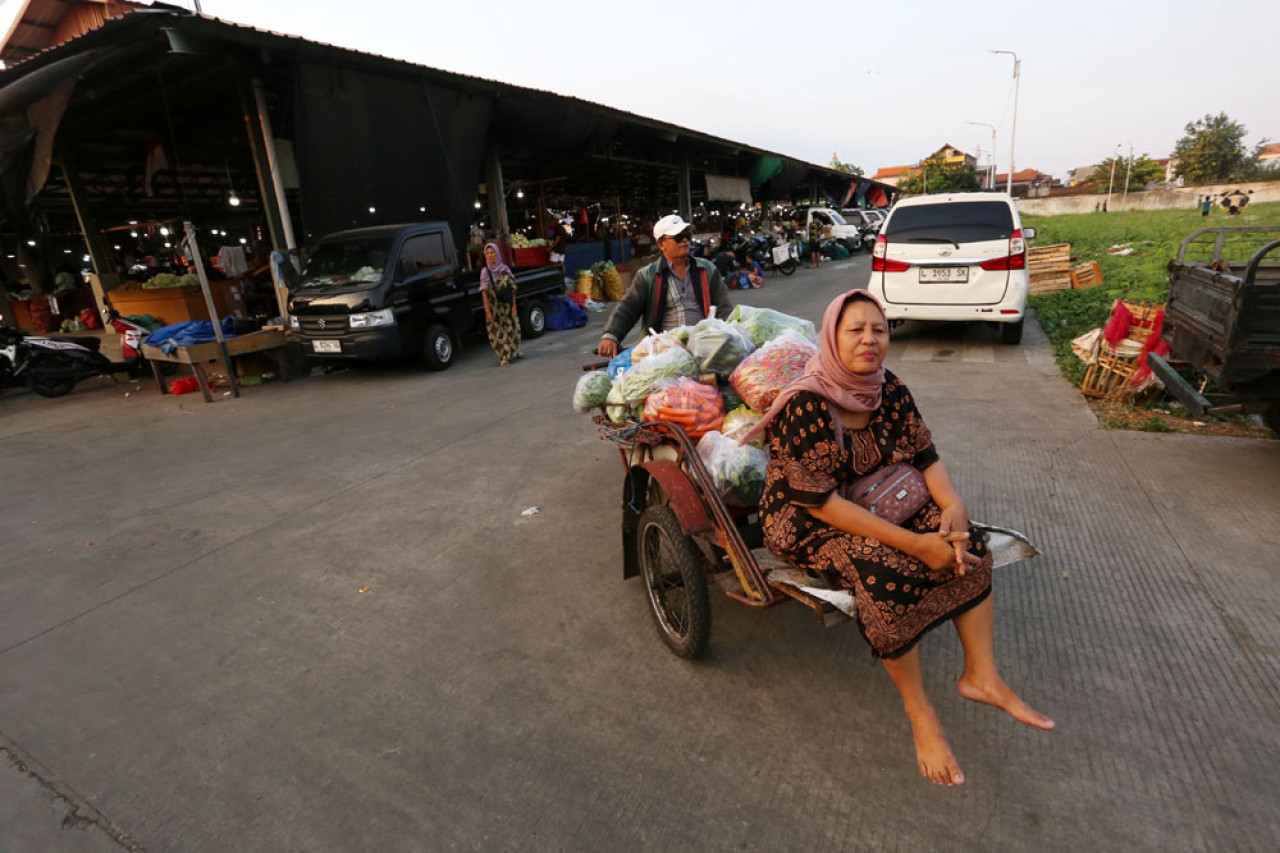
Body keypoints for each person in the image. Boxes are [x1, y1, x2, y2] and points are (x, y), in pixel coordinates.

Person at [748, 289, 1054, 786]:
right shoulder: (806, 404)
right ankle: (920, 713)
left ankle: (981, 675)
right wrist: (911, 544)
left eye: (879, 329)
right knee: (887, 571)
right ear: (831, 336)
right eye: (855, 330)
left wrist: (953, 505)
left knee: (967, 546)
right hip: (807, 519)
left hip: (881, 495)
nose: (869, 339)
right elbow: (821, 502)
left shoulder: (890, 388)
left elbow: (927, 457)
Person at [596, 214, 733, 358]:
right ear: (661, 244)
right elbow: (627, 308)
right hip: (664, 352)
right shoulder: (647, 276)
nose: (685, 240)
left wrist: (734, 335)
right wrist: (611, 335)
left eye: (687, 234)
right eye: (678, 237)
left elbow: (724, 308)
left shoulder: (707, 270)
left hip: (704, 348)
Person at [478, 242, 521, 366]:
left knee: (512, 329)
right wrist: (487, 312)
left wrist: (514, 305)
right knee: (497, 332)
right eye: (488, 253)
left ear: (497, 254)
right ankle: (503, 357)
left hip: (507, 306)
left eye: (493, 253)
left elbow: (513, 288)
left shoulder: (505, 269)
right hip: (494, 308)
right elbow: (484, 293)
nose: (490, 255)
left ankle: (515, 351)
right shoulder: (485, 272)